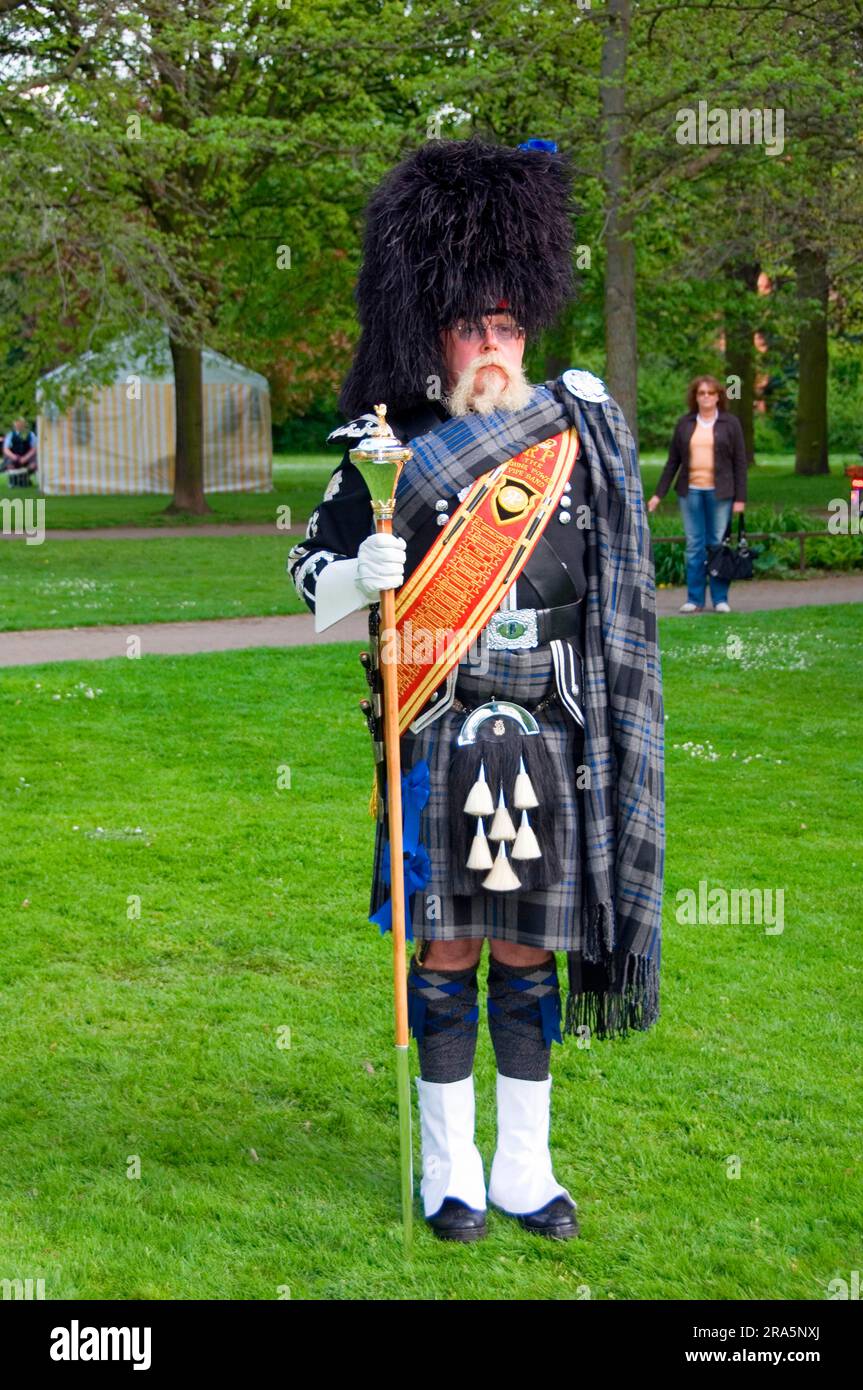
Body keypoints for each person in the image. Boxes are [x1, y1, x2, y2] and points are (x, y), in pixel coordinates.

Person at [288, 138, 664, 1243]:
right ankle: (449, 1174)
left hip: (552, 738)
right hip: (441, 736)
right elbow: (308, 573)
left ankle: (525, 1170)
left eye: (509, 326)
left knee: (530, 953)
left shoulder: (577, 431)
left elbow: (616, 597)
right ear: (431, 330)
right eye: (472, 327)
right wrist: (360, 575)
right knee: (447, 950)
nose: (494, 348)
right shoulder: (384, 449)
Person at [647, 376, 747, 613]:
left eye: (710, 393)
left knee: (717, 544)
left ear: (718, 397)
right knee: (694, 546)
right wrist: (658, 495)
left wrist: (740, 499)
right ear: (695, 397)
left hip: (721, 493)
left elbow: (740, 463)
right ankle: (694, 599)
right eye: (701, 393)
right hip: (690, 492)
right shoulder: (685, 423)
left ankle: (720, 599)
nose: (706, 397)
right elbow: (673, 462)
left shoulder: (730, 424)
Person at [2, 418, 38, 487]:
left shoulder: (31, 434)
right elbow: (6, 449)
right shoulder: (10, 435)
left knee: (33, 465)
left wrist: (25, 458)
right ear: (14, 424)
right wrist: (15, 457)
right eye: (17, 422)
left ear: (24, 424)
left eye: (21, 422)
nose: (19, 424)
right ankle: (14, 480)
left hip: (28, 457)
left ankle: (24, 479)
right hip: (14, 457)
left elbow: (34, 448)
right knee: (10, 464)